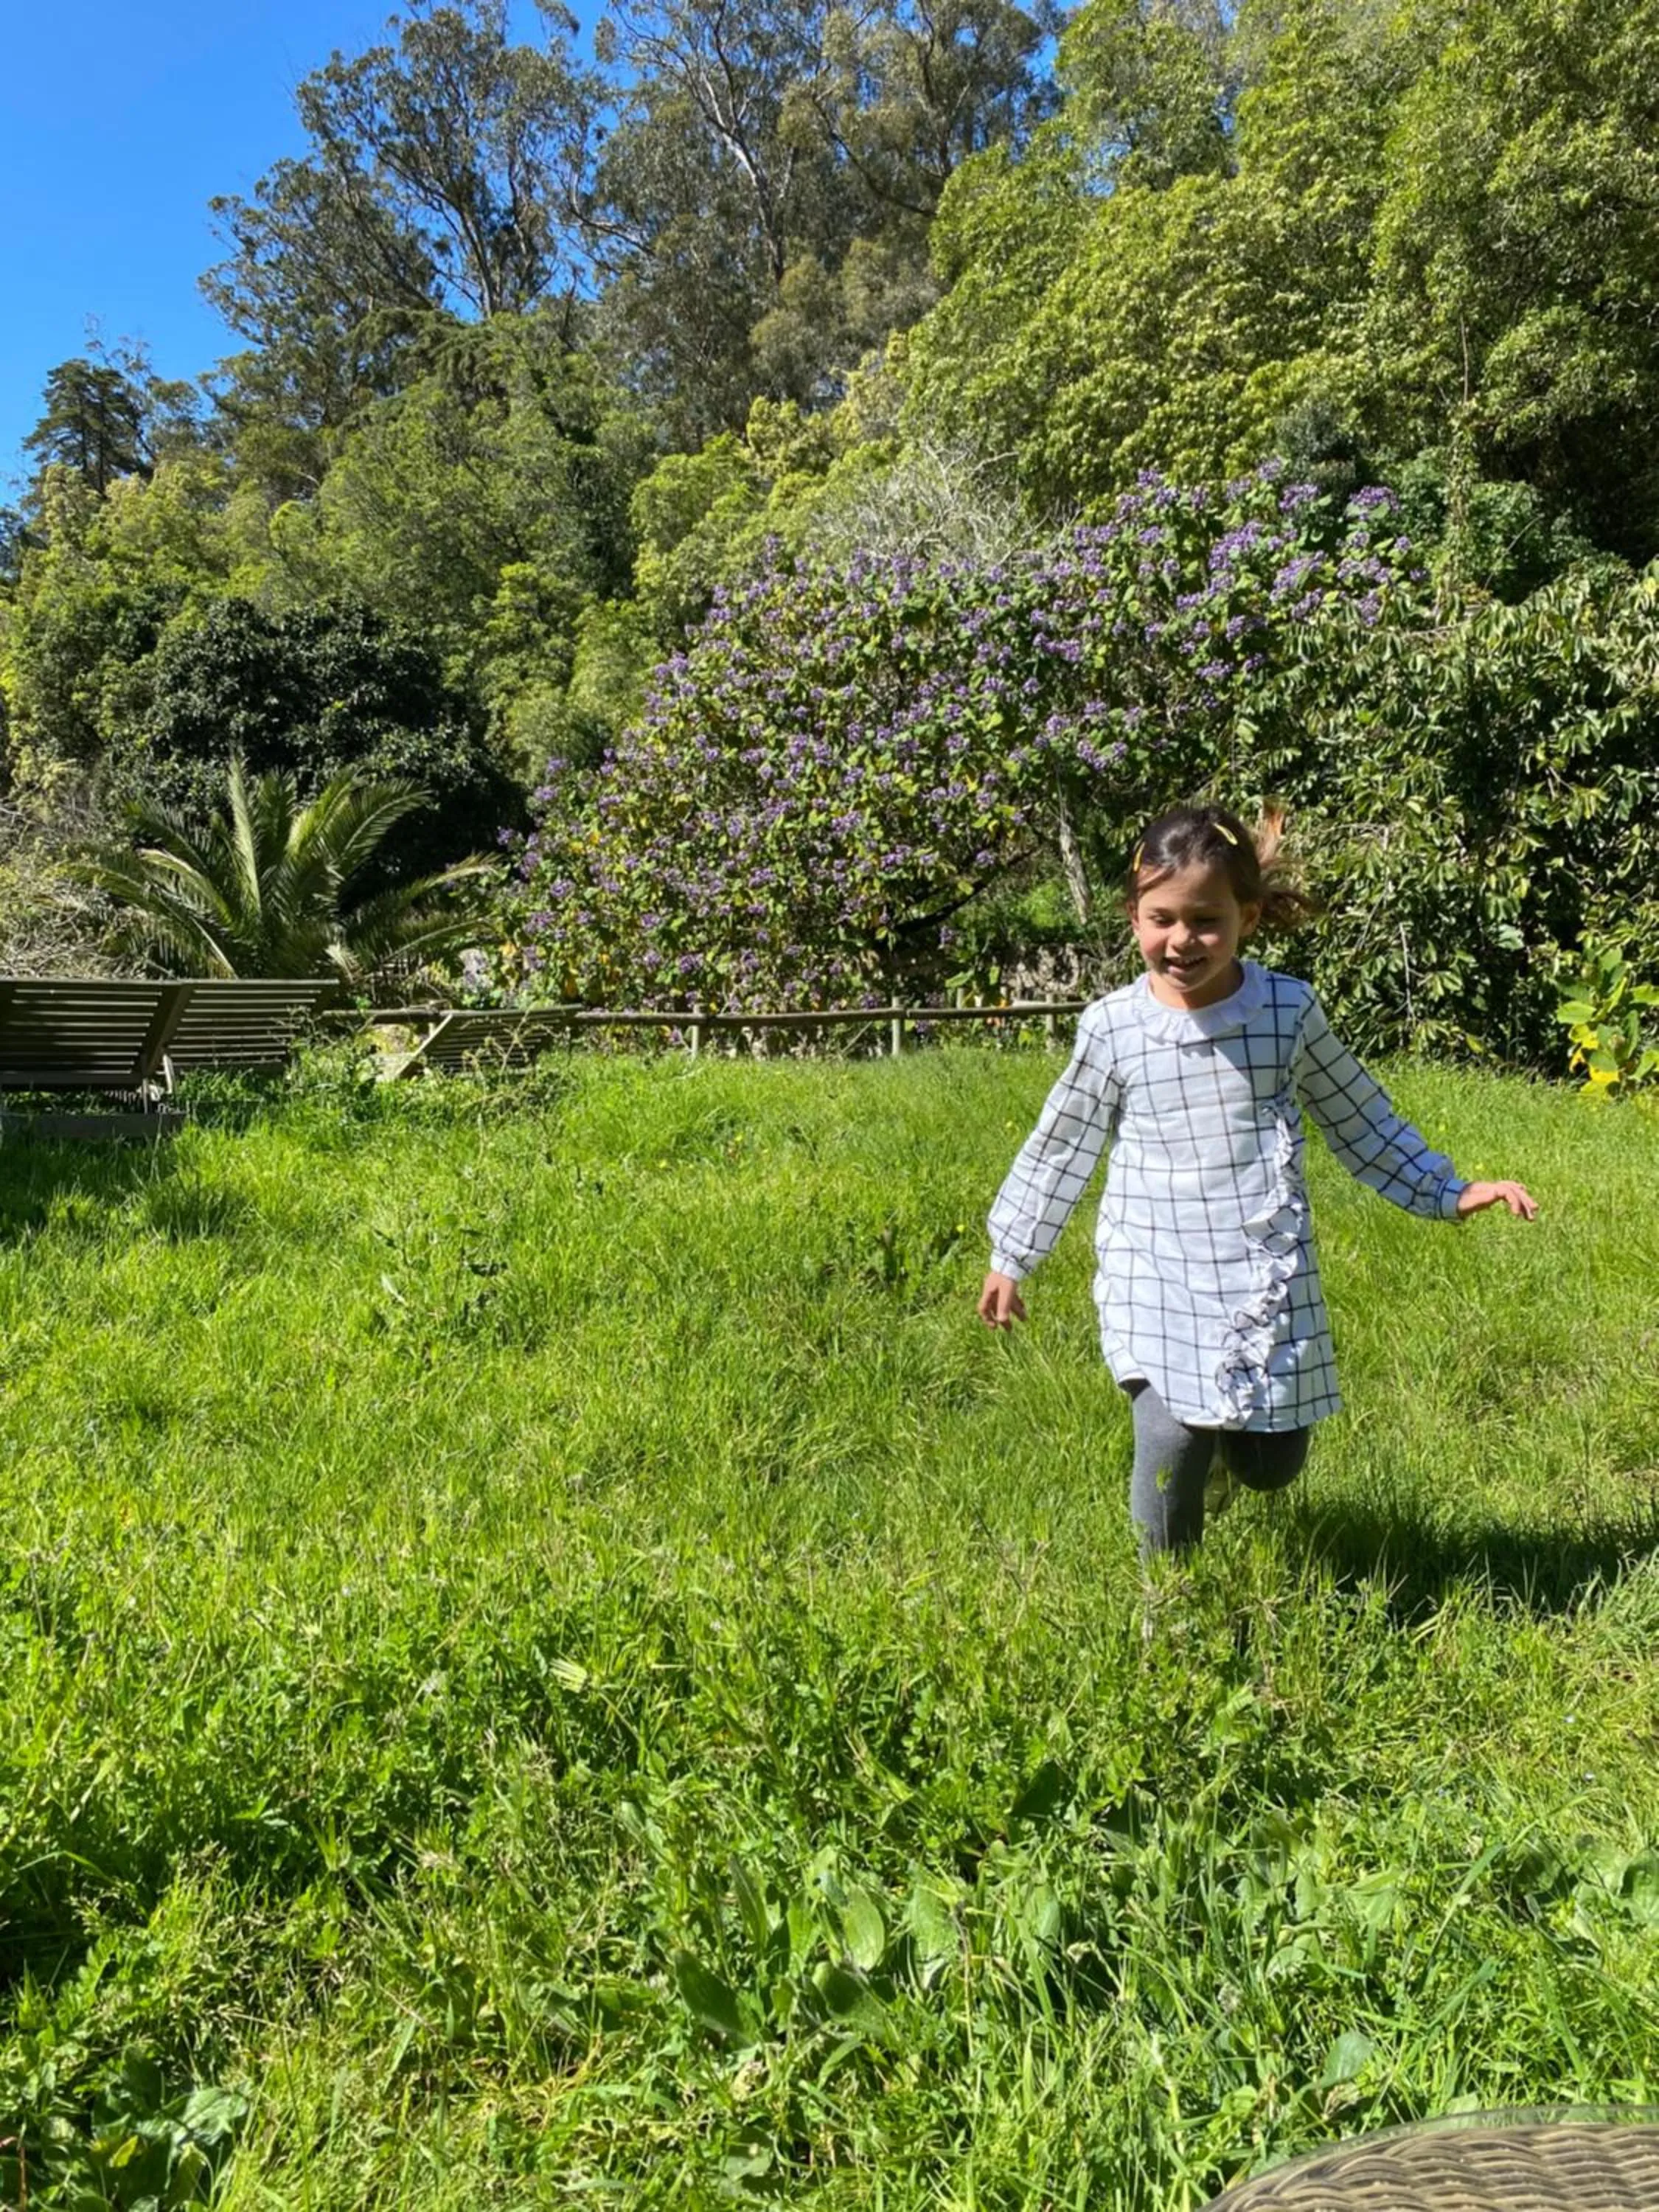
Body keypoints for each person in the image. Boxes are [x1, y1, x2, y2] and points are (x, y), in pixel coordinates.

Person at [977, 801, 1538, 1554]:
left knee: (1273, 1464)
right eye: (1161, 918)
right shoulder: (1114, 1029)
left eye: (1206, 920)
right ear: (1134, 916)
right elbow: (1062, 1145)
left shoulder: (1285, 1011)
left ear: (1247, 915)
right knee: (1171, 1434)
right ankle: (1167, 1599)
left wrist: (1447, 1190)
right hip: (1156, 1267)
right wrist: (1012, 1254)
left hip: (1259, 1271)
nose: (1182, 941)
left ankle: (1226, 1464)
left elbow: (1359, 1117)